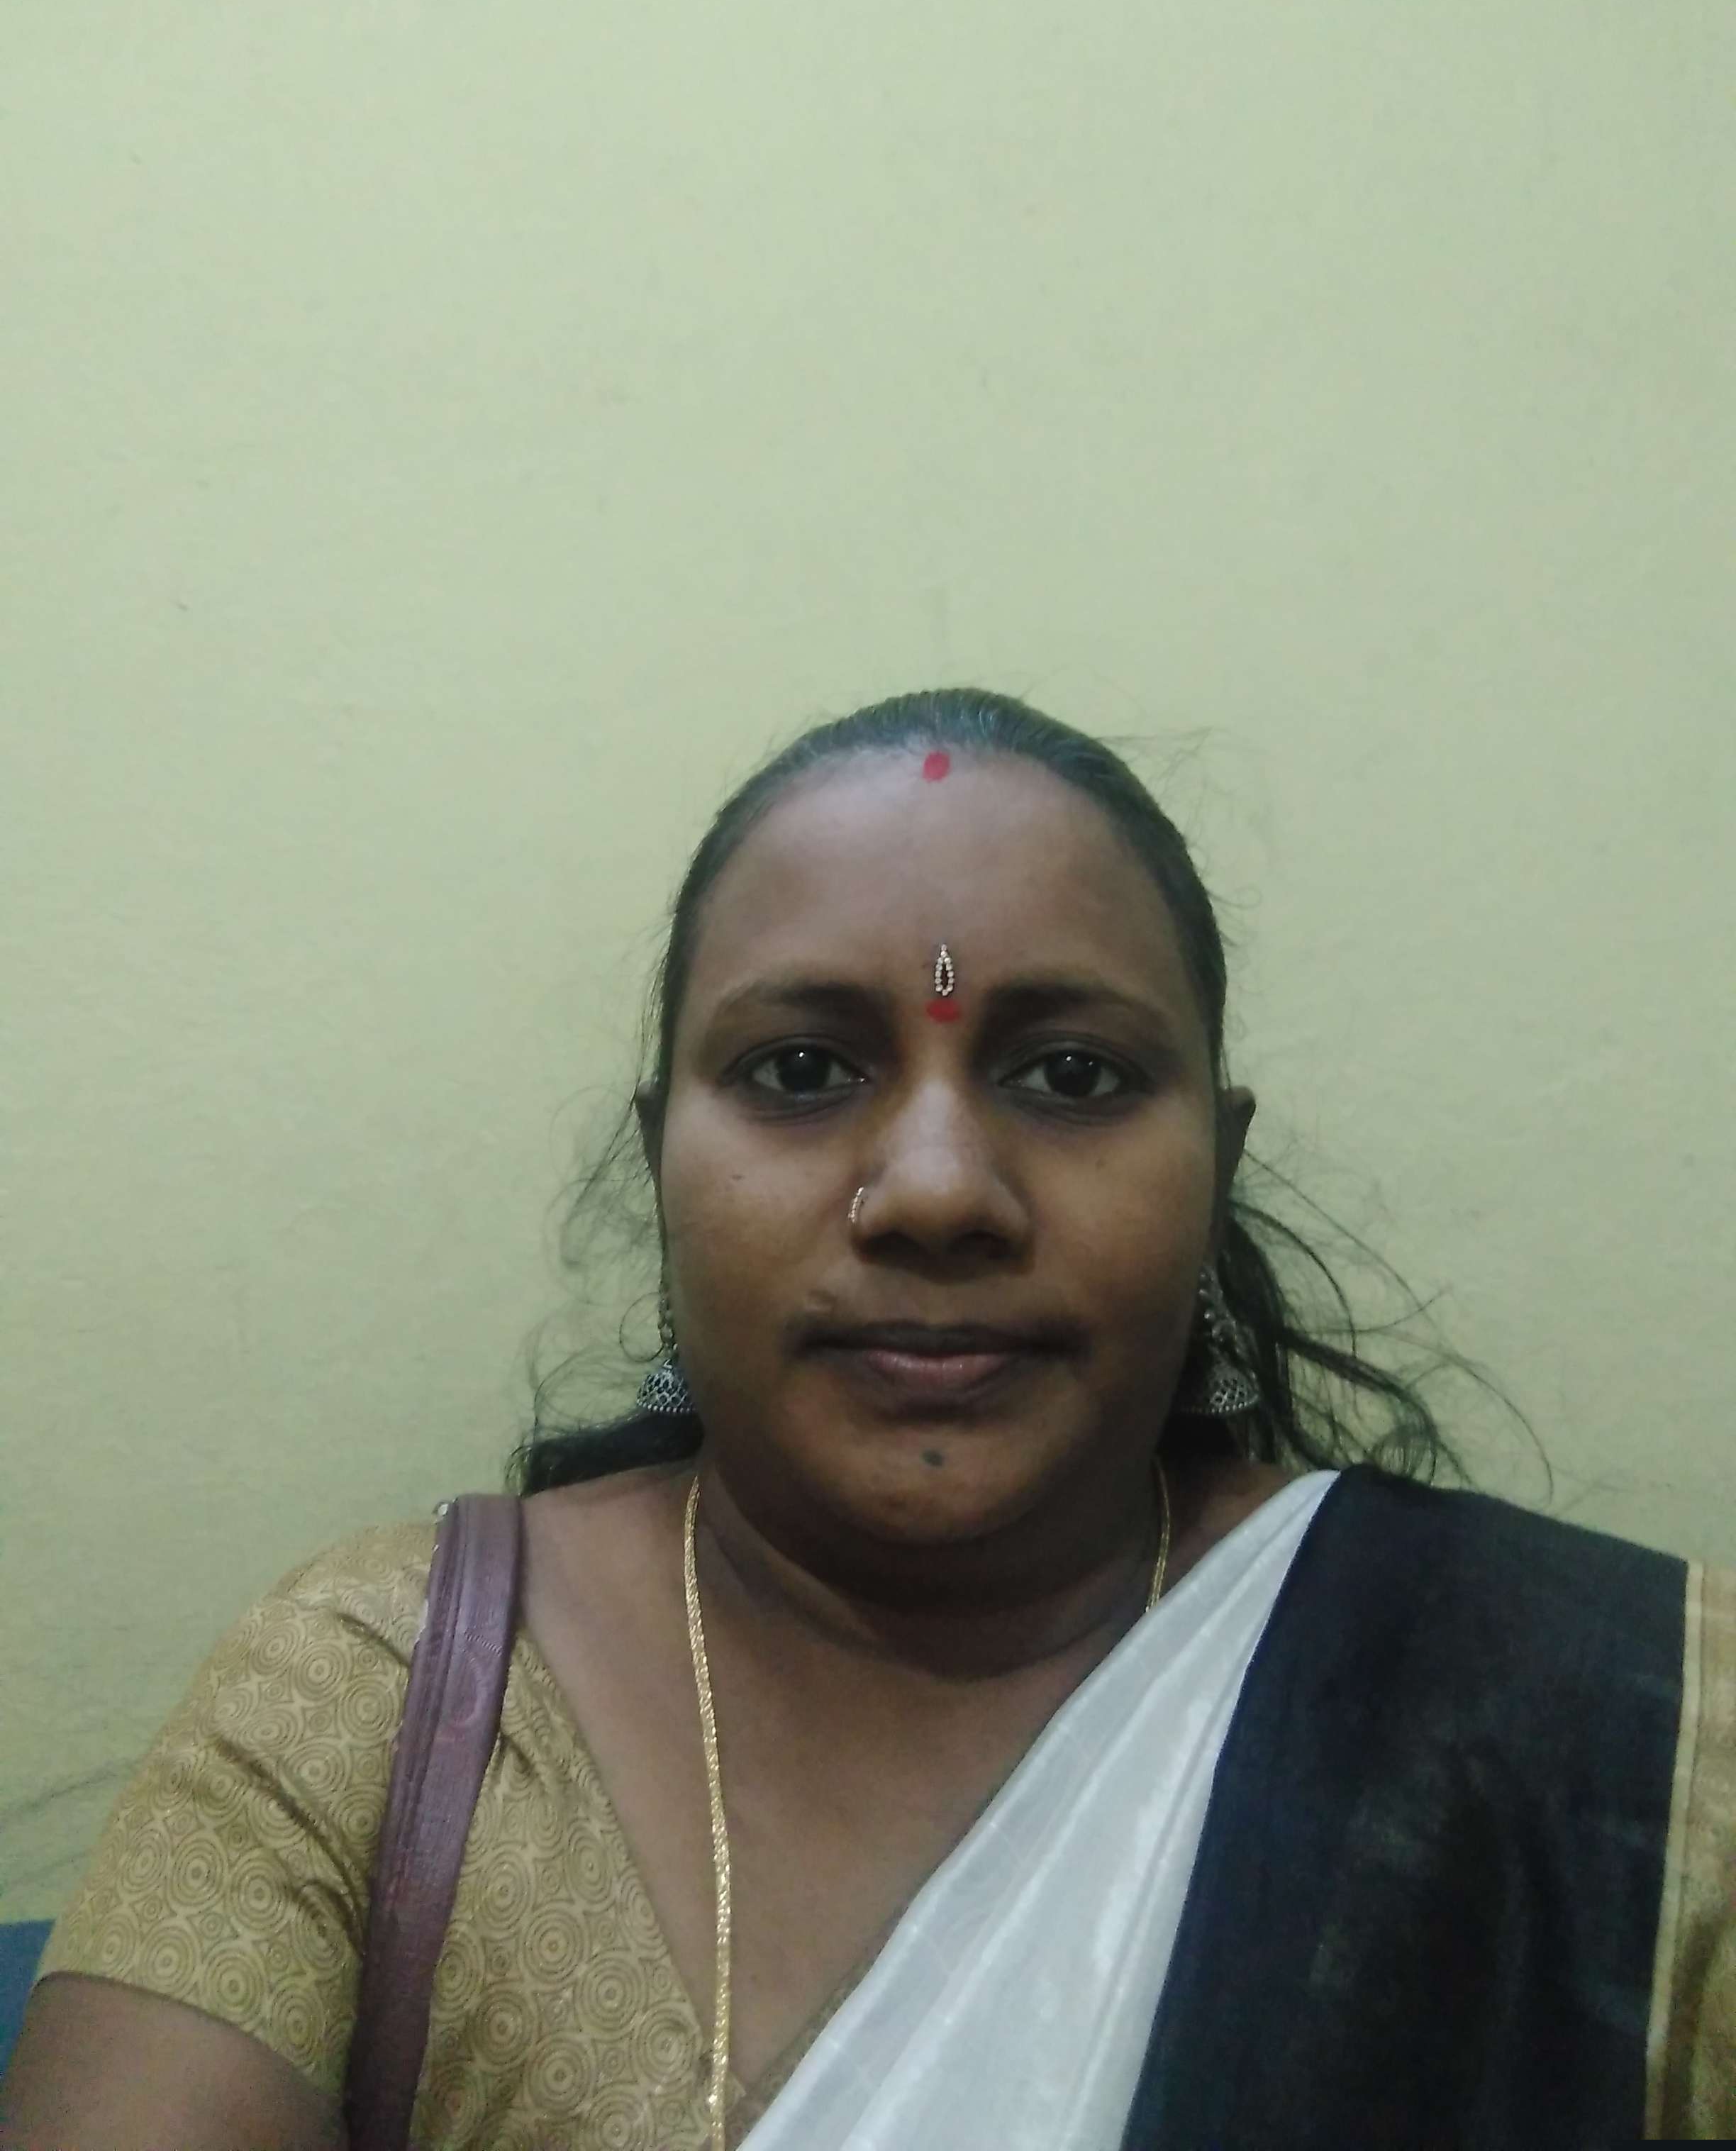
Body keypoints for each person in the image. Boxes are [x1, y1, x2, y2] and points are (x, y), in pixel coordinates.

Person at [3, 687, 1730, 2150]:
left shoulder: (1613, 1728)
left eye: (1072, 1074)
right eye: (802, 1071)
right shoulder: (377, 1712)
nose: (936, 1190)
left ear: (1219, 1164)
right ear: (661, 1163)